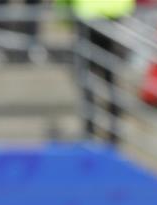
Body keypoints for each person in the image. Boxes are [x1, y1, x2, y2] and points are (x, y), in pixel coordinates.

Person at [59, 0, 133, 144]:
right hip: (114, 13)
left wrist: (64, 17)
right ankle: (114, 129)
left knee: (87, 76)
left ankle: (90, 130)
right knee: (110, 77)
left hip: (87, 15)